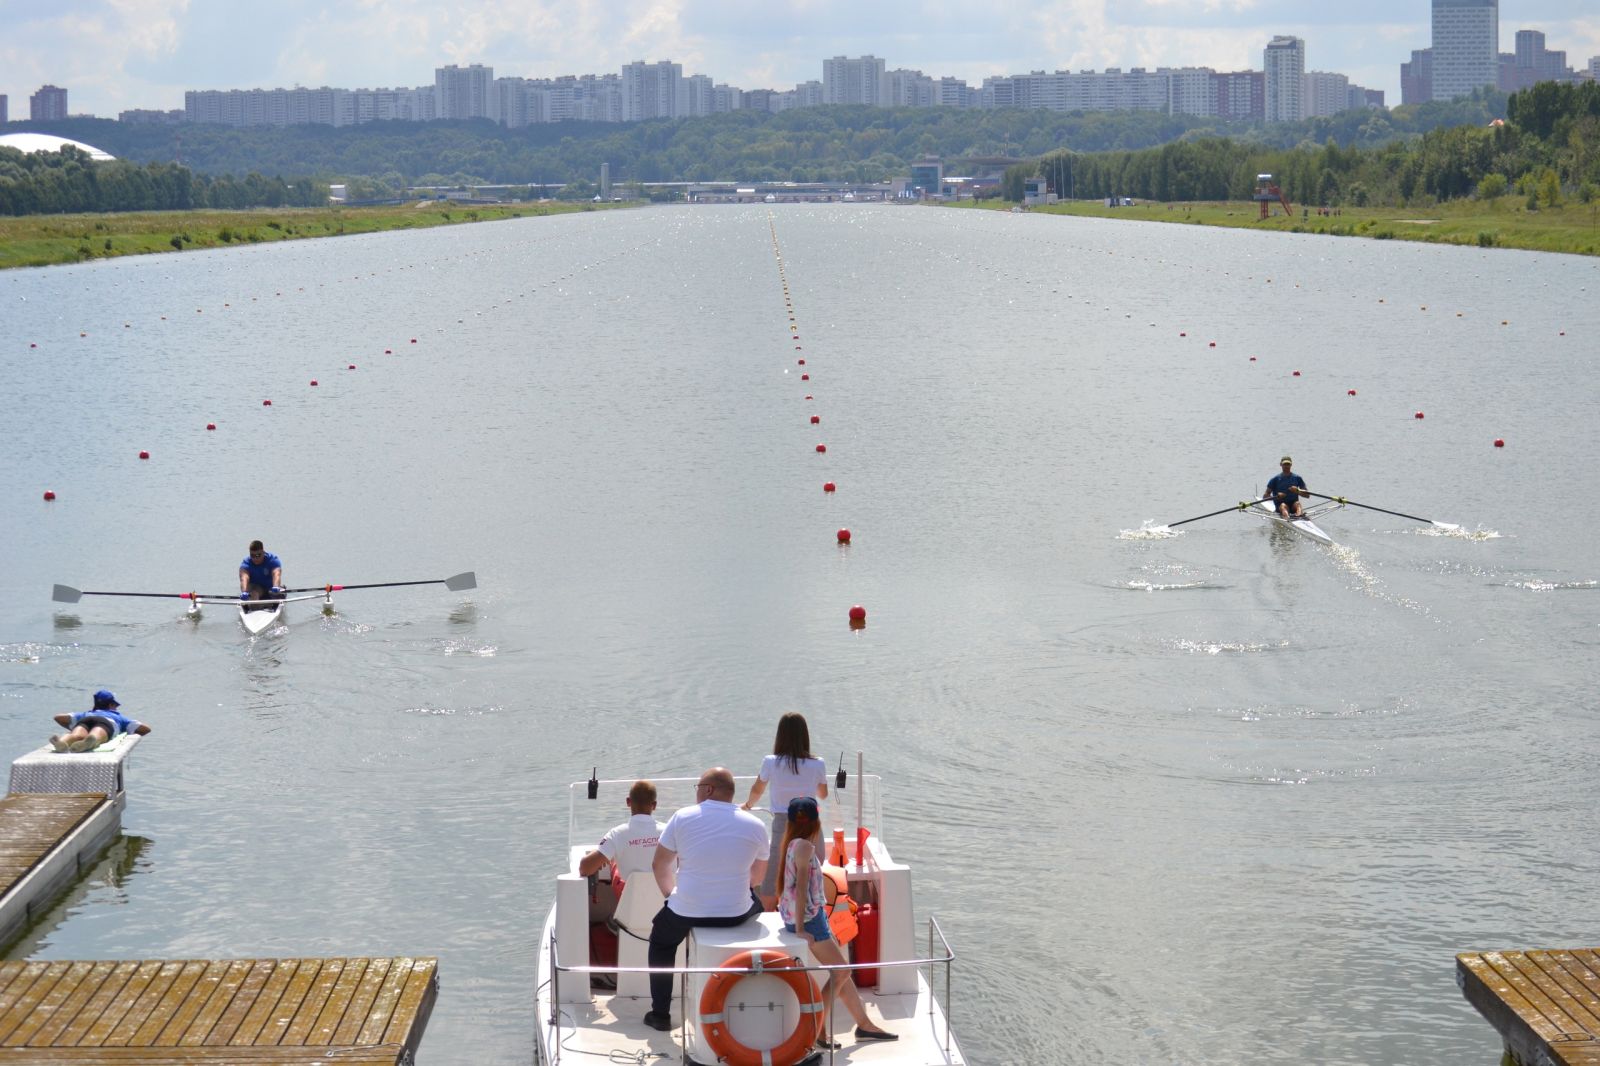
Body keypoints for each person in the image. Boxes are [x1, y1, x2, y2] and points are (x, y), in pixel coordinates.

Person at [644, 767, 768, 1031]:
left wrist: (671, 896)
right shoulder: (756, 825)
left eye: (698, 787)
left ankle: (660, 1014)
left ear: (709, 789)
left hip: (686, 910)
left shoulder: (682, 817)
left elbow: (660, 864)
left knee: (661, 943)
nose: (697, 792)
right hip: (735, 914)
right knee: (760, 906)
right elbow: (756, 879)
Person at [777, 796, 897, 1045]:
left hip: (806, 915)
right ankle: (818, 1027)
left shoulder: (791, 843)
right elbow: (801, 889)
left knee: (842, 972)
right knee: (842, 972)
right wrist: (801, 929)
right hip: (809, 920)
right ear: (815, 821)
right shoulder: (805, 848)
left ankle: (864, 1024)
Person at [741, 712, 829, 908]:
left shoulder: (770, 762)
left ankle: (771, 920)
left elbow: (757, 789)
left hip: (783, 822)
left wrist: (747, 806)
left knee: (773, 880)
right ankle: (805, 915)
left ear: (780, 736)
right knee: (812, 868)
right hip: (811, 823)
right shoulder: (818, 763)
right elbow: (823, 794)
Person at [578, 780, 664, 898]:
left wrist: (605, 853)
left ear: (628, 802)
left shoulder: (616, 835)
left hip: (631, 906)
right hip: (666, 904)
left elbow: (585, 868)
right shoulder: (669, 831)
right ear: (654, 805)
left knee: (614, 861)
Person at [50, 690, 151, 753]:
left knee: (76, 736)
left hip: (86, 719)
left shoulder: (84, 713)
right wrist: (127, 732)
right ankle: (90, 741)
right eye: (115, 705)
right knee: (96, 735)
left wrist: (72, 727)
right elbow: (146, 729)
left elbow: (58, 717)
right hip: (107, 722)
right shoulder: (119, 717)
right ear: (111, 705)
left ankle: (63, 741)